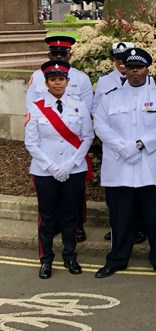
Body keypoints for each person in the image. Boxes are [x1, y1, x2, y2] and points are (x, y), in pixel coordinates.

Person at [93, 48, 156, 279]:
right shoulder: (110, 97)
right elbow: (100, 126)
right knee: (121, 219)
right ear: (124, 69)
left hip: (152, 170)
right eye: (130, 67)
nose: (134, 72)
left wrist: (139, 144)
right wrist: (123, 147)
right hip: (120, 168)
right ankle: (117, 259)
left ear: (147, 69)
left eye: (138, 67)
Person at [24, 60, 94, 279]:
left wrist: (70, 164)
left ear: (67, 81)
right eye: (53, 80)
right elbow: (31, 143)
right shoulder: (36, 109)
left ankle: (70, 256)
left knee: (70, 215)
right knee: (47, 217)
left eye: (61, 79)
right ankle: (46, 260)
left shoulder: (79, 105)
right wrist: (52, 166)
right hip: (46, 171)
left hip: (73, 170)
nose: (57, 83)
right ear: (46, 83)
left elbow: (87, 136)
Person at [94, 41, 150, 244]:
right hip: (115, 148)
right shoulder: (105, 82)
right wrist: (119, 144)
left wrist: (136, 145)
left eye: (123, 60)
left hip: (140, 149)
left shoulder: (147, 81)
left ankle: (140, 228)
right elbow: (97, 112)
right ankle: (118, 230)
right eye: (118, 60)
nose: (121, 64)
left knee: (140, 193)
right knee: (117, 197)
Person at [26, 36, 94, 114]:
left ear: (70, 55)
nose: (59, 56)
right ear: (49, 55)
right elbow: (30, 108)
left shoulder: (82, 78)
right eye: (55, 53)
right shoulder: (37, 76)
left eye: (63, 53)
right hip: (44, 124)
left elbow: (86, 110)